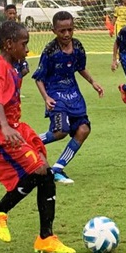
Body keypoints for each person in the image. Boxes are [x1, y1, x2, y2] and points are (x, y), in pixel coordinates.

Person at [0, 20, 75, 253]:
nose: (28, 50)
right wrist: (1, 129)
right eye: (24, 44)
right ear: (9, 44)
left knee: (46, 173)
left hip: (14, 127)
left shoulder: (13, 65)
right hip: (3, 129)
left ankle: (46, 238)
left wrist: (20, 71)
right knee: (39, 170)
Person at [32, 11, 104, 185]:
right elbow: (39, 78)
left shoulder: (78, 47)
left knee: (83, 130)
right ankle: (29, 143)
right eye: (62, 31)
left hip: (73, 94)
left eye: (70, 30)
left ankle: (57, 168)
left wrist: (93, 82)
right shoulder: (50, 51)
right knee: (60, 131)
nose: (66, 34)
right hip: (55, 95)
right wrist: (46, 98)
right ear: (54, 30)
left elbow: (81, 67)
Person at [4, 4, 30, 77]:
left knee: (23, 72)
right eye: (10, 13)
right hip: (9, 58)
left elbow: (23, 44)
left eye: (14, 13)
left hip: (19, 57)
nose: (12, 16)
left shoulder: (19, 28)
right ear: (5, 13)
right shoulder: (4, 28)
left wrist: (23, 61)